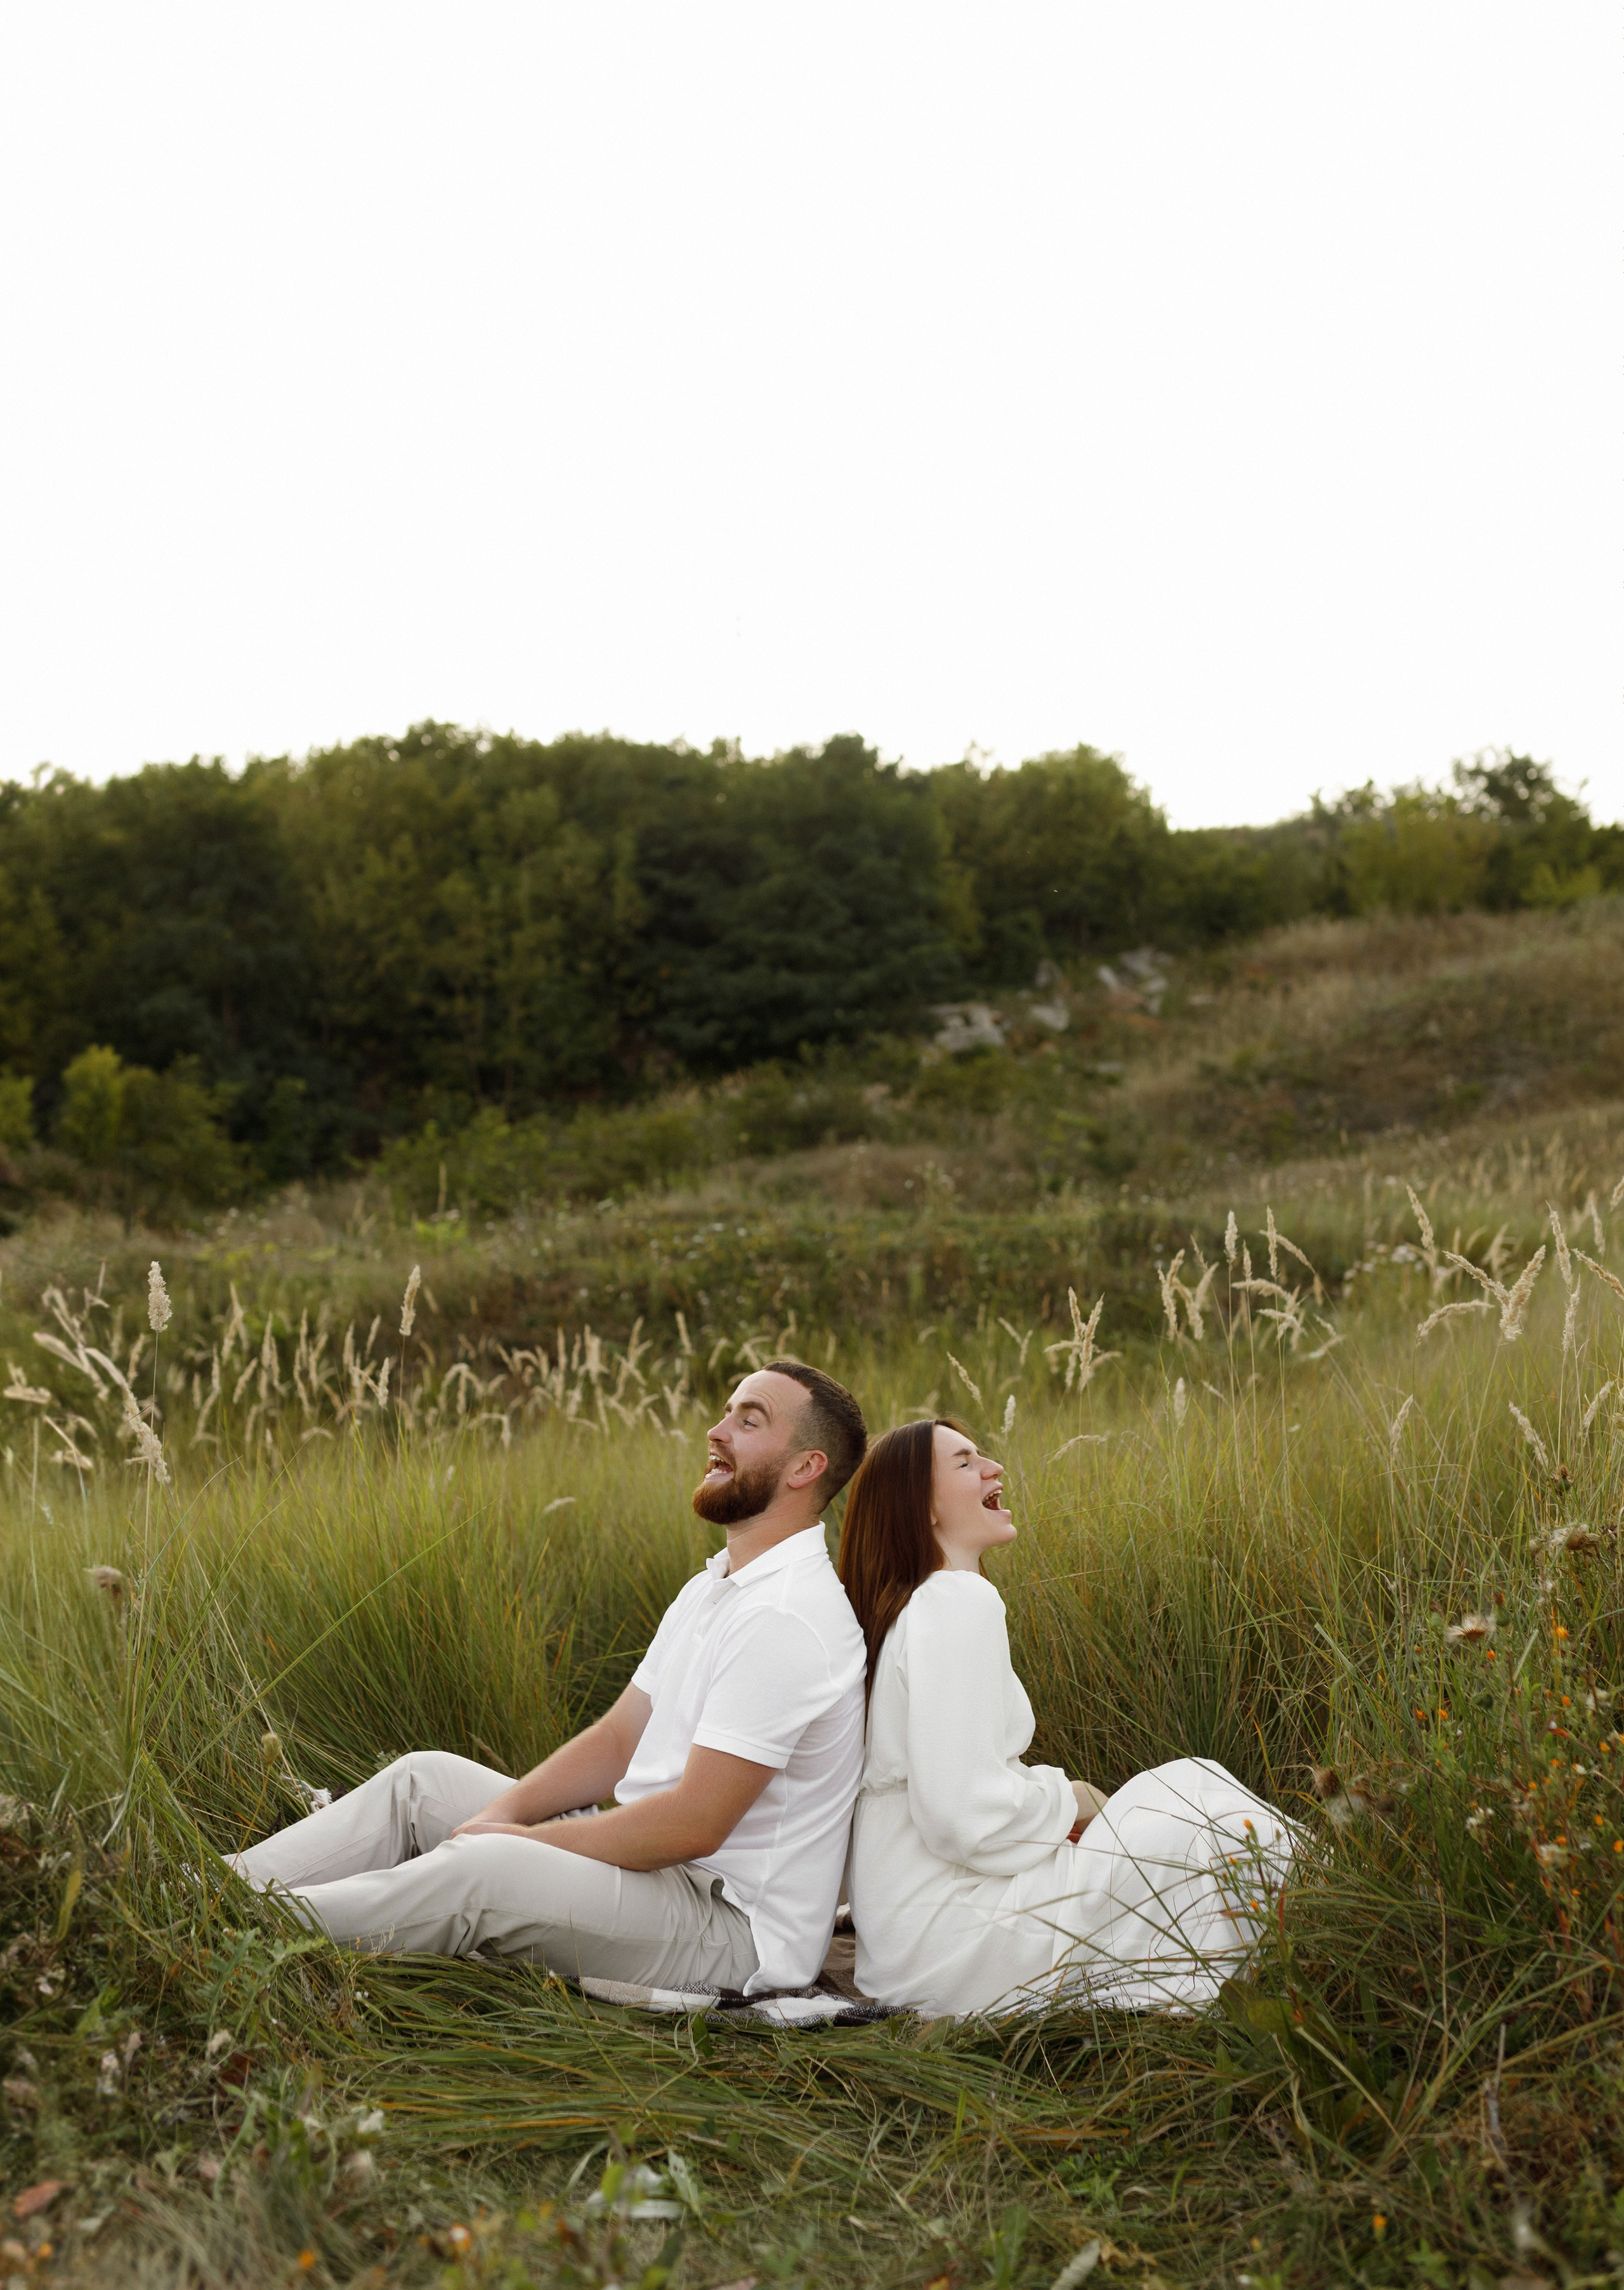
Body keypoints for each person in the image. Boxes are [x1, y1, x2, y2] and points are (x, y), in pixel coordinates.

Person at [228, 1360, 868, 2000]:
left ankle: (239, 1932)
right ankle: (215, 1889)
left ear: (804, 1467)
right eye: (727, 1412)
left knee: (487, 1869)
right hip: (664, 1875)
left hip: (731, 1930)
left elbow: (692, 1826)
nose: (717, 1430)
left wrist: (527, 1842)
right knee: (423, 1782)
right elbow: (618, 1740)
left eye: (749, 1421)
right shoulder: (717, 1584)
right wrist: (501, 1813)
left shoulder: (787, 1617)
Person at [837, 1418, 1296, 2018]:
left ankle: (1329, 1899)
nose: (994, 1468)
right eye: (966, 1463)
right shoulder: (954, 1602)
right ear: (921, 1507)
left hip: (910, 1943)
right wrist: (1071, 1799)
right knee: (1200, 1817)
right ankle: (1340, 1906)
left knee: (1190, 1789)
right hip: (958, 1941)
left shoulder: (914, 1610)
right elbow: (964, 1816)